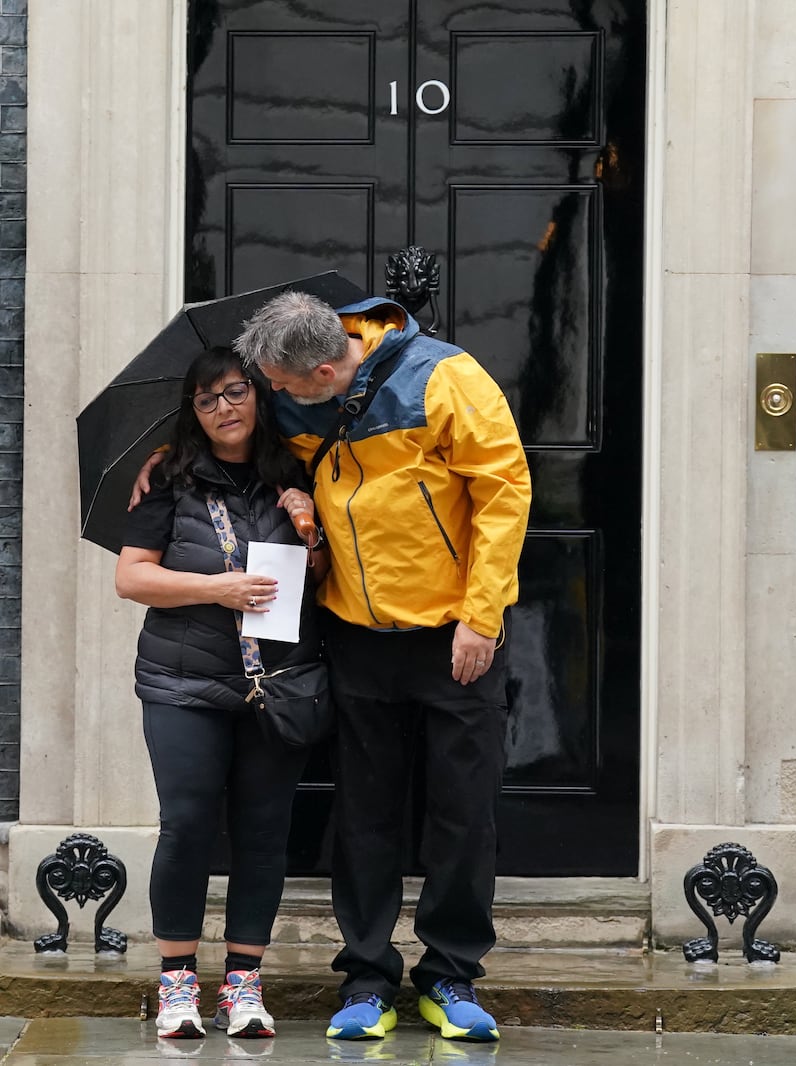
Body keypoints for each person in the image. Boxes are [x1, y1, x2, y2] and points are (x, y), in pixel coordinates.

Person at [135, 291, 531, 1043]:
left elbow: (504, 493)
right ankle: (367, 977)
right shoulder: (295, 395)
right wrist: (167, 455)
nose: (270, 400)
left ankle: (449, 974)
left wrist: (483, 616)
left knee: (462, 814)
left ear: (320, 370)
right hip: (353, 634)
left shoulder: (446, 379)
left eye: (279, 388)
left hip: (454, 633)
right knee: (366, 815)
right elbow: (237, 437)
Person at [116, 345, 328, 1041]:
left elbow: (322, 579)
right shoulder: (169, 478)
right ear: (194, 413)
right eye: (207, 400)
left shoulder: (296, 475)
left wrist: (310, 528)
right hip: (183, 683)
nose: (223, 409)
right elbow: (133, 578)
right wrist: (217, 588)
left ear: (260, 396)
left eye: (235, 392)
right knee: (187, 825)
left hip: (275, 685)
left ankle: (243, 985)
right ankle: (177, 984)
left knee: (265, 837)